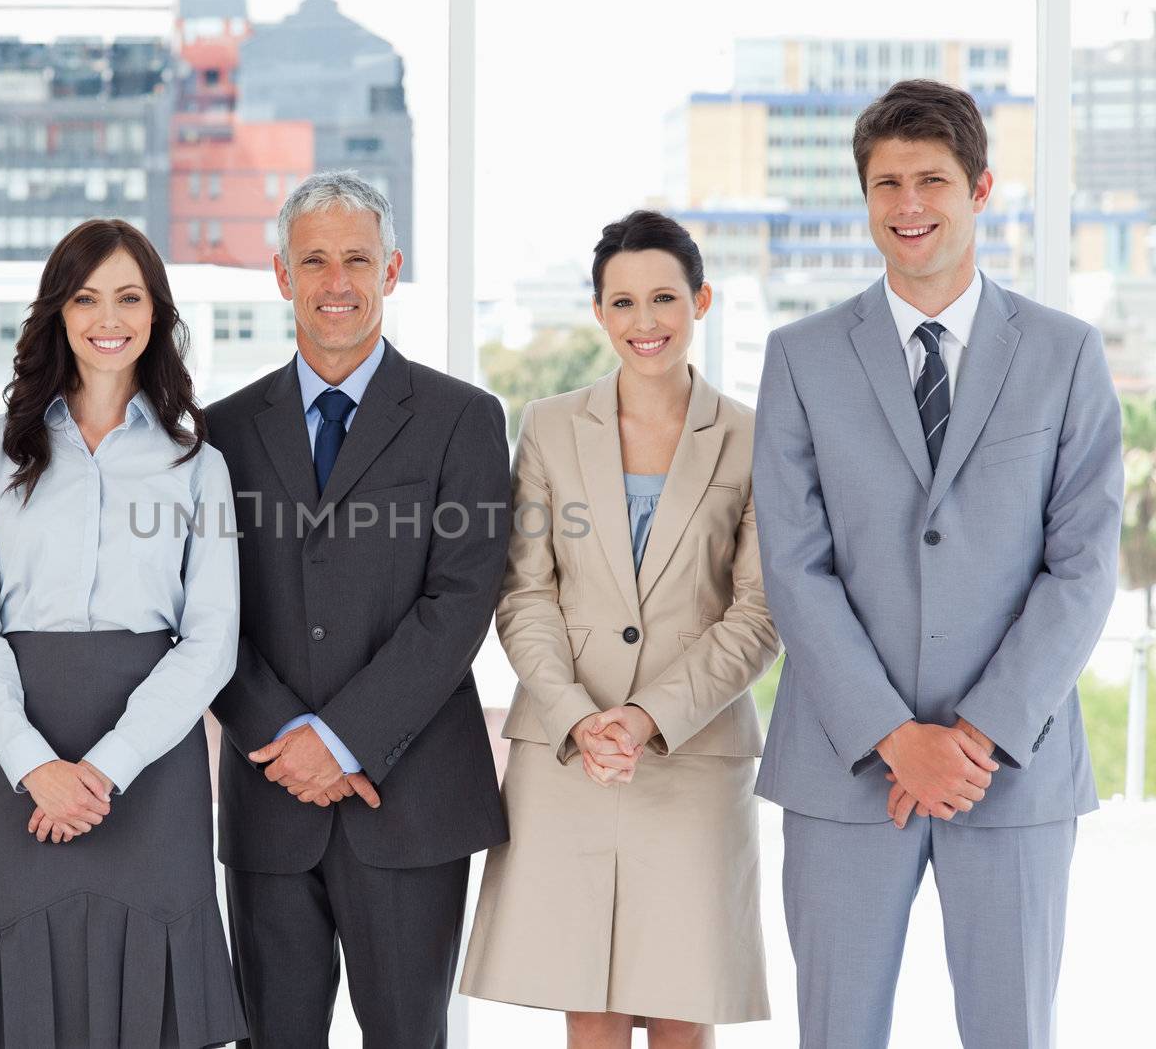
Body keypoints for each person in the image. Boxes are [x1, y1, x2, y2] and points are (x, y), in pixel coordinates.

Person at [753, 79, 1123, 1049]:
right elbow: (793, 562)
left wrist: (976, 732)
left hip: (1010, 768)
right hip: (842, 767)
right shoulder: (798, 356)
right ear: (864, 197)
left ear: (980, 189)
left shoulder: (1064, 352)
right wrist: (890, 731)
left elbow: (1082, 565)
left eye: (930, 180)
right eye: (885, 184)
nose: (907, 205)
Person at [459, 211, 780, 1048]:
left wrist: (647, 718)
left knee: (683, 1010)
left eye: (665, 298)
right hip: (569, 758)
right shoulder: (549, 424)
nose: (646, 322)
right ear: (599, 312)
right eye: (624, 302)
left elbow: (759, 610)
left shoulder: (753, 436)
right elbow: (523, 594)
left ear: (700, 300)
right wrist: (579, 714)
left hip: (692, 755)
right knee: (589, 1014)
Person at [205, 170, 511, 1048]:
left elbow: (461, 601)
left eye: (356, 259)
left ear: (392, 268)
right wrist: (288, 746)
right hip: (270, 802)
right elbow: (207, 611)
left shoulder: (462, 419)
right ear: (280, 275)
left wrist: (338, 742)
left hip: (409, 803)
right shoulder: (221, 432)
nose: (335, 282)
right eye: (313, 261)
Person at [0, 218, 248, 1048]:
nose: (107, 317)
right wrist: (35, 764)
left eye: (128, 296)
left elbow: (211, 638)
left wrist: (104, 770)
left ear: (155, 312)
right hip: (17, 762)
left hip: (151, 762)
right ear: (58, 312)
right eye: (86, 297)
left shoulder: (197, 463)